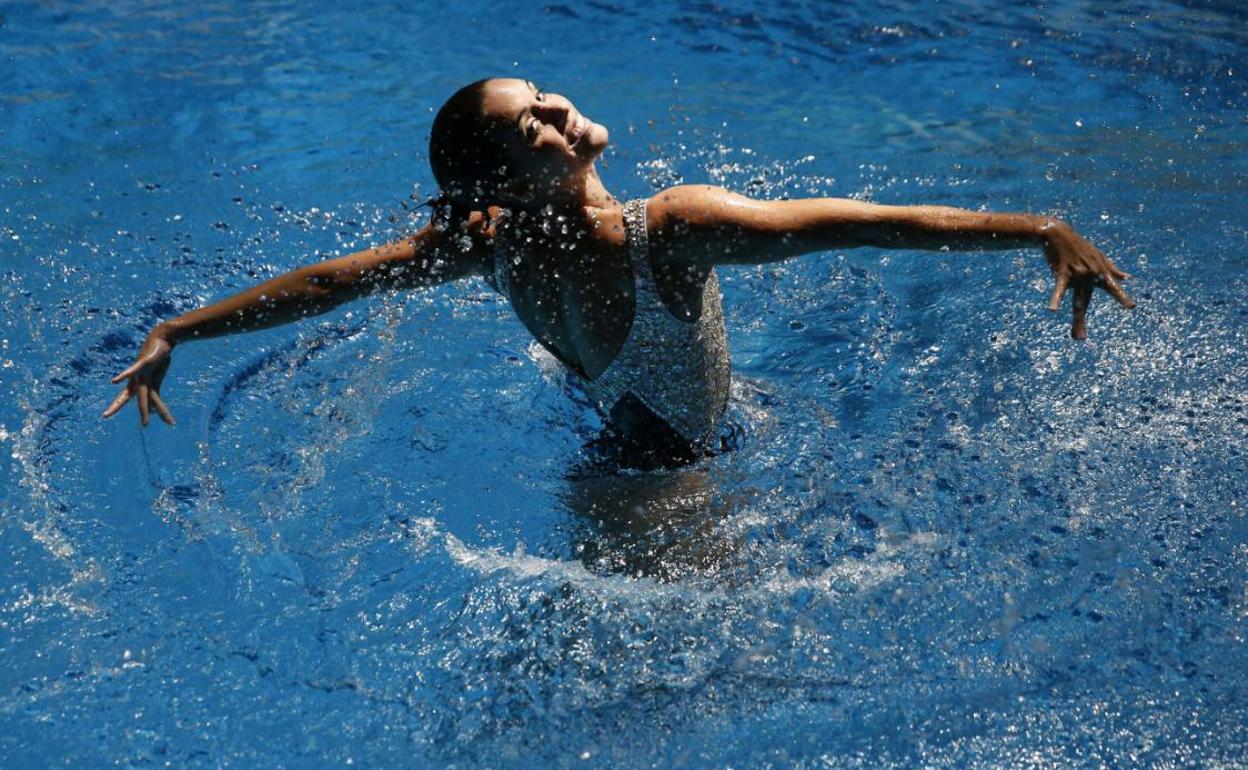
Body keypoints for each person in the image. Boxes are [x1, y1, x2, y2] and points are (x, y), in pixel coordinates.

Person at [103, 77, 1136, 469]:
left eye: (542, 97)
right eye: (532, 128)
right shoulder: (669, 229)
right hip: (666, 490)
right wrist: (1035, 228)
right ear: (508, 180)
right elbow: (862, 225)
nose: (558, 112)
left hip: (613, 432)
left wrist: (180, 330)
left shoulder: (491, 240)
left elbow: (334, 283)